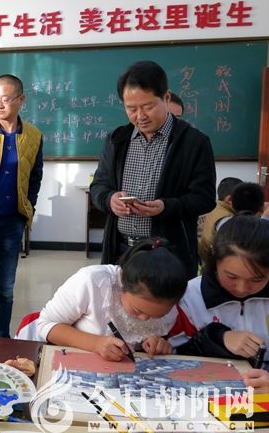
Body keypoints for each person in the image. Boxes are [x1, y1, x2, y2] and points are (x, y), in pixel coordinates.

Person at [90, 60, 216, 277]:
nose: (140, 116)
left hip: (168, 254)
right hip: (121, 251)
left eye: (148, 107)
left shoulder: (193, 142)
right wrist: (110, 199)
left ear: (166, 98)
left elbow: (204, 198)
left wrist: (166, 207)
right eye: (131, 109)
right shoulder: (116, 140)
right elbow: (98, 187)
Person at [32, 239, 188, 361]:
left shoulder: (168, 300)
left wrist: (154, 342)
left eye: (157, 316)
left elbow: (151, 337)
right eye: (138, 310)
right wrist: (96, 344)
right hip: (73, 364)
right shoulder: (92, 282)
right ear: (123, 281)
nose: (144, 319)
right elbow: (45, 324)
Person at [0, 74, 43, 338]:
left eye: (5, 99)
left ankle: (2, 340)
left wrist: (28, 208)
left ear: (21, 99)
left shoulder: (33, 136)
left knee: (5, 288)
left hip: (11, 224)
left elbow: (35, 177)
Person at [169, 215, 269, 366]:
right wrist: (217, 338)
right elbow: (173, 355)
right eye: (231, 276)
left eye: (256, 280)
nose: (242, 288)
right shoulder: (188, 298)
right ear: (214, 259)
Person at [197, 177, 242, 264]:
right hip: (214, 264)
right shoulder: (227, 219)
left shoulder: (214, 207)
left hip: (204, 259)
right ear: (230, 200)